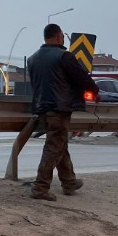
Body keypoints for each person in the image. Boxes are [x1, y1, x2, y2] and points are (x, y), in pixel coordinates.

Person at [27, 23, 99, 201]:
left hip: (41, 108)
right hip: (59, 108)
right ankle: (40, 187)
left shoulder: (33, 58)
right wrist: (94, 91)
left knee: (59, 144)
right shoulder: (63, 56)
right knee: (54, 147)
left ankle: (69, 182)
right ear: (59, 36)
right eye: (63, 36)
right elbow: (82, 78)